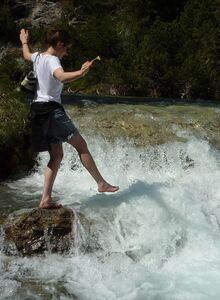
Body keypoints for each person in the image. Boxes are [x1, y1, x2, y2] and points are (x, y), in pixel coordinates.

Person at [19, 28, 119, 209]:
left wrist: (24, 41)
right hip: (51, 111)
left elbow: (26, 55)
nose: (67, 52)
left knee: (56, 155)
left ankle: (45, 199)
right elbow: (61, 76)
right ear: (59, 45)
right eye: (67, 48)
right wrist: (81, 72)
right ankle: (101, 183)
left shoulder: (38, 57)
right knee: (81, 146)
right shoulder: (52, 60)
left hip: (37, 111)